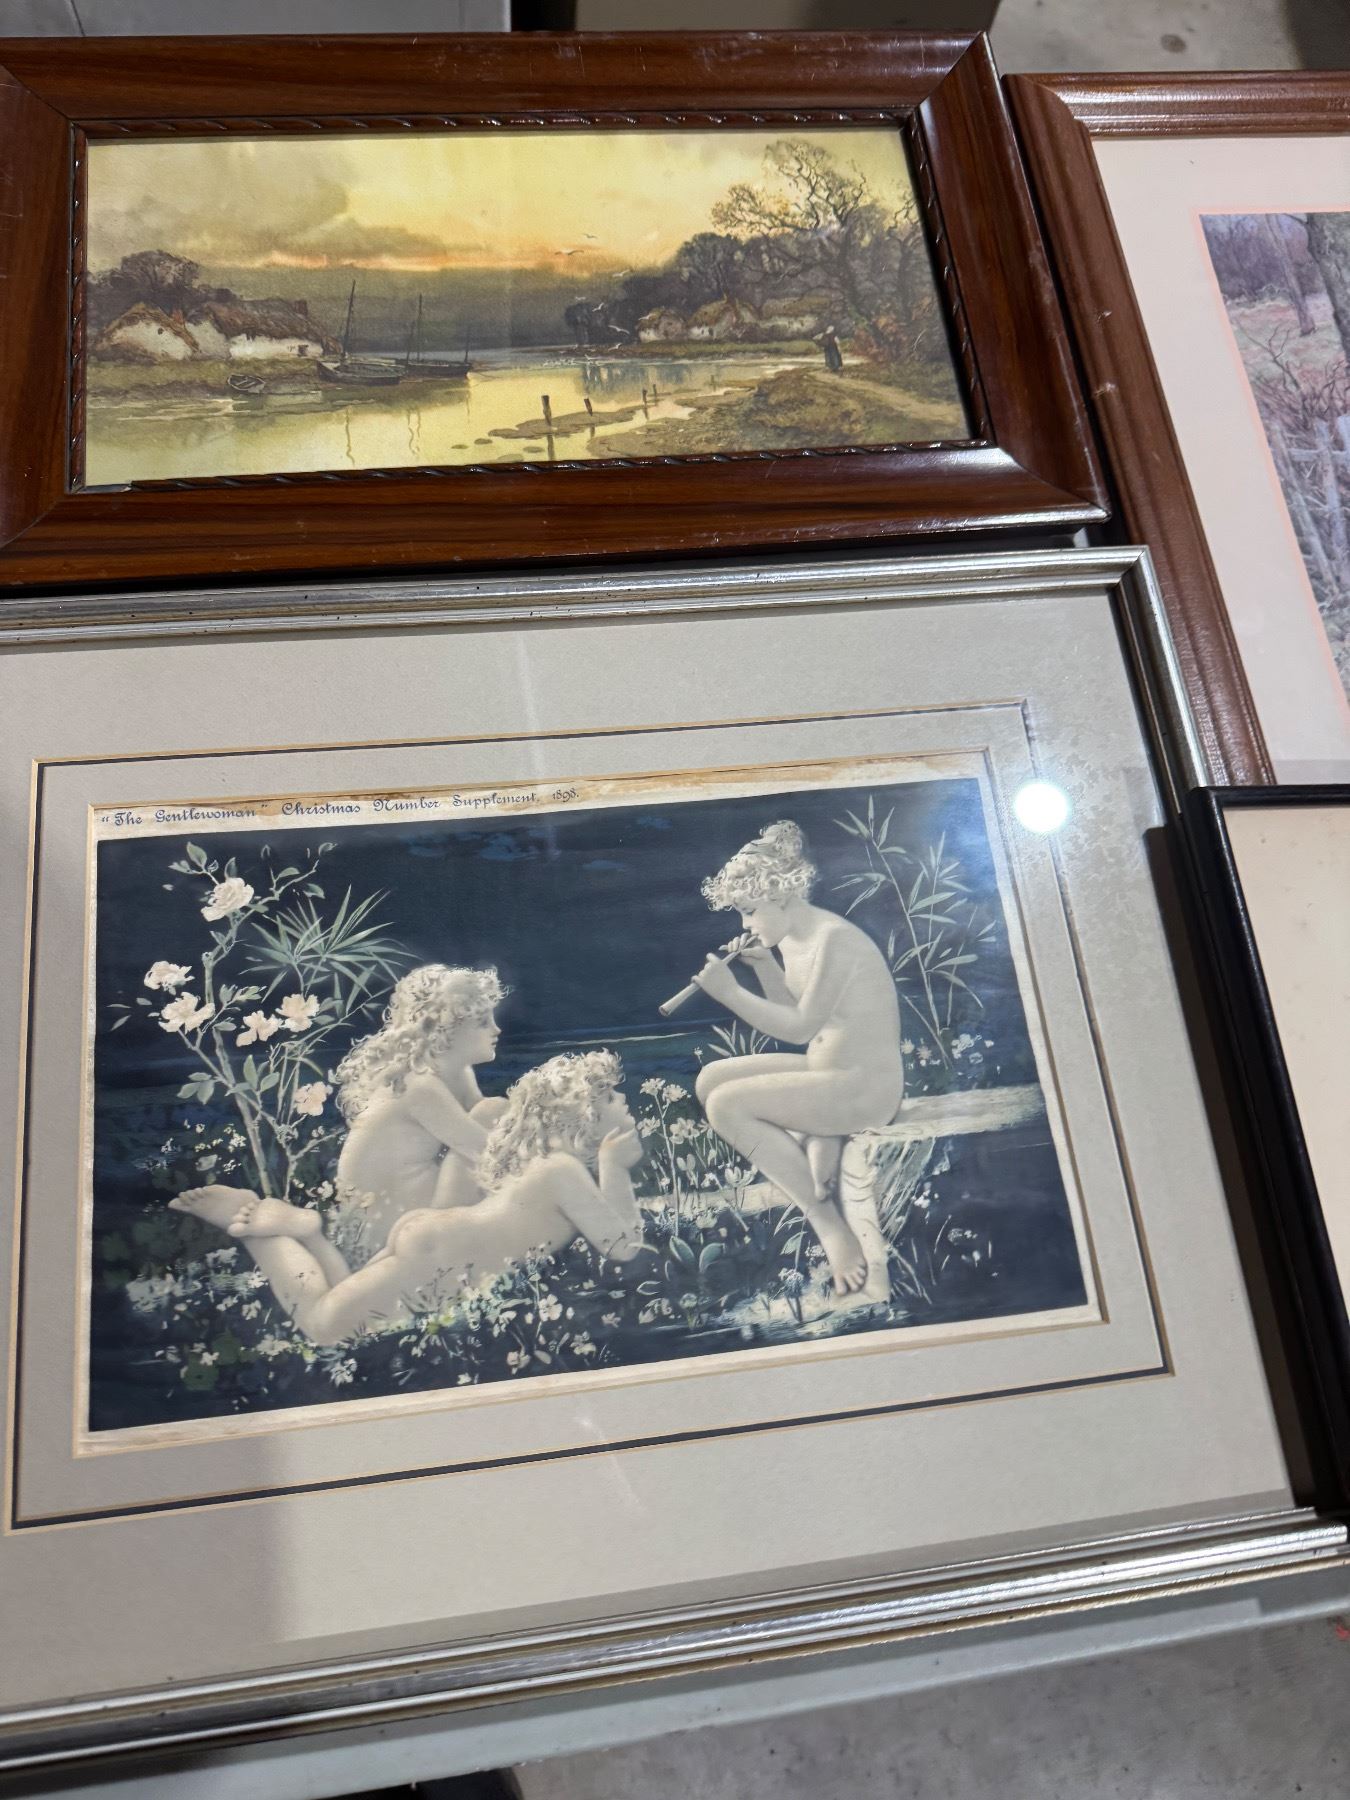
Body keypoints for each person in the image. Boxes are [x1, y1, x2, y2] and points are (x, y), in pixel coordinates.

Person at [170, 1051, 646, 1346]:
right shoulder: (560, 1170)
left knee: (338, 1307)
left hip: (435, 1239)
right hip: (442, 1254)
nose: (623, 1102)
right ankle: (262, 1236)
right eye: (612, 1098)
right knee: (322, 1328)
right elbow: (623, 1246)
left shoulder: (546, 1168)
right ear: (583, 1114)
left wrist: (608, 1171)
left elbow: (608, 1227)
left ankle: (309, 1234)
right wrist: (615, 1167)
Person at [693, 821, 903, 1297]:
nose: (744, 925)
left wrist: (730, 994)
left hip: (865, 1088)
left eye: (749, 912)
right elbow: (792, 1010)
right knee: (709, 1080)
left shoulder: (834, 940)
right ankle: (818, 1135)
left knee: (726, 1105)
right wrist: (765, 967)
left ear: (782, 895)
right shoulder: (790, 936)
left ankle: (829, 1225)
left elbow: (801, 1029)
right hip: (831, 1072)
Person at [329, 963, 509, 1251]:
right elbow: (489, 1153)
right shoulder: (418, 1085)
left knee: (494, 1111)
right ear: (448, 1029)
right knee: (494, 1120)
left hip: (411, 1208)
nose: (496, 1029)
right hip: (386, 1227)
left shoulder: (459, 1073)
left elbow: (491, 1126)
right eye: (482, 1022)